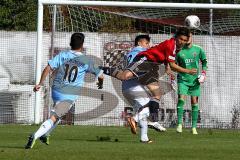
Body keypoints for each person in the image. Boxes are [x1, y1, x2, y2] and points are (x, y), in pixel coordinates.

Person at [101, 27, 197, 132]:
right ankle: (100, 70)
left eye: (184, 40)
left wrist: (167, 67)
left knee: (157, 94)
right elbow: (173, 65)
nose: (182, 42)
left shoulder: (177, 47)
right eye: (181, 39)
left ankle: (143, 119)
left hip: (152, 67)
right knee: (124, 76)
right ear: (176, 37)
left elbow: (168, 60)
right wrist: (187, 71)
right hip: (145, 60)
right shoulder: (171, 44)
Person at [25, 33, 104, 149]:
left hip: (56, 89)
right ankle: (35, 135)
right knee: (55, 116)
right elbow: (100, 75)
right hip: (70, 93)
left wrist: (40, 83)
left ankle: (46, 134)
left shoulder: (63, 55)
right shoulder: (85, 60)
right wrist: (100, 84)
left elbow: (48, 68)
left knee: (58, 114)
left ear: (70, 43)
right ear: (82, 45)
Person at [122, 35, 165, 143]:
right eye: (146, 44)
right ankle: (133, 119)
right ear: (140, 43)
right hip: (135, 87)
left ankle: (144, 138)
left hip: (125, 87)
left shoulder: (128, 54)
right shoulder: (140, 53)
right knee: (148, 108)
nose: (147, 46)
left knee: (142, 112)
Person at [175, 33, 207, 134]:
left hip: (195, 81)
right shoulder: (179, 51)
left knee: (194, 102)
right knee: (181, 100)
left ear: (191, 37)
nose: (188, 38)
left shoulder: (199, 49)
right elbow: (174, 65)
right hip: (183, 80)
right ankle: (179, 124)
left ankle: (194, 127)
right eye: (186, 37)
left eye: (189, 36)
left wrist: (203, 73)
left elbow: (204, 62)